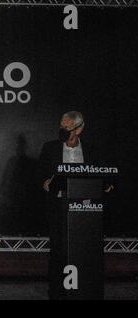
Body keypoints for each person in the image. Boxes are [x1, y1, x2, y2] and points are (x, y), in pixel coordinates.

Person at [38, 110, 113, 299]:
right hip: (59, 207)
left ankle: (87, 289)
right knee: (59, 250)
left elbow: (102, 175)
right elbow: (40, 174)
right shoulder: (50, 148)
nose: (62, 130)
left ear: (79, 129)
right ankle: (56, 291)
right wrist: (45, 183)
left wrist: (107, 185)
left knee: (86, 249)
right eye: (61, 126)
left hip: (87, 210)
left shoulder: (92, 150)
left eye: (67, 127)